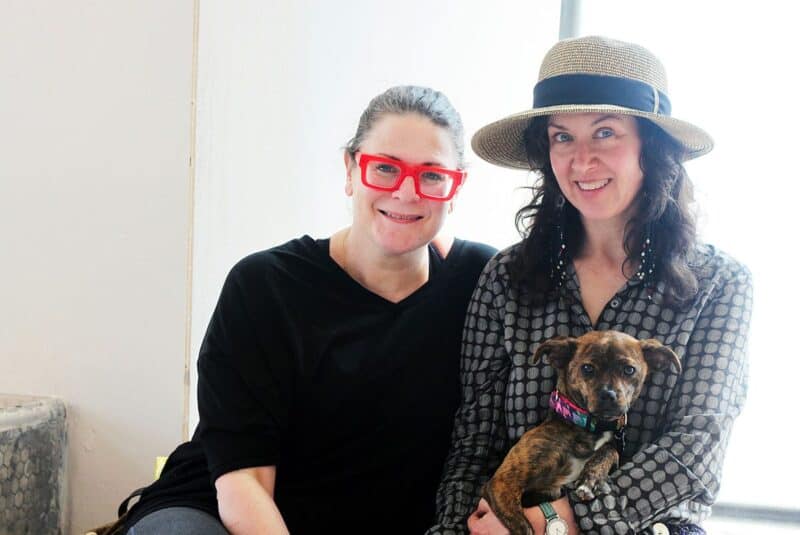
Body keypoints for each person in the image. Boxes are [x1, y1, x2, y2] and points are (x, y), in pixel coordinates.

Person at [113, 86, 496, 535]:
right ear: (351, 169)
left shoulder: (484, 281)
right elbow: (245, 484)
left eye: (431, 176)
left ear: (456, 187)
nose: (406, 192)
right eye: (385, 168)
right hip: (226, 511)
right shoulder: (265, 286)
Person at [427, 36, 752, 535]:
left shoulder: (718, 284)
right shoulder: (506, 278)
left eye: (605, 133)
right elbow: (473, 442)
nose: (581, 162)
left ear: (652, 145)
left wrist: (558, 521)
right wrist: (454, 530)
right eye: (562, 137)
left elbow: (697, 448)